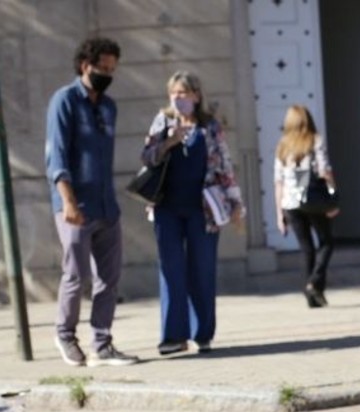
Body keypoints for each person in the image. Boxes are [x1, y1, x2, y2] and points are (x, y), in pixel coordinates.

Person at [45, 37, 137, 367]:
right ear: (86, 66)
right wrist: (68, 202)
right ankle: (65, 336)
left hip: (106, 207)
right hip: (75, 207)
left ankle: (103, 343)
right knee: (75, 274)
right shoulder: (65, 101)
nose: (108, 74)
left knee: (108, 279)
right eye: (103, 68)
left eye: (113, 69)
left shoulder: (109, 107)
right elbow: (56, 156)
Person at [140, 71, 245, 355]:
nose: (178, 98)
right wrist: (168, 142)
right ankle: (173, 336)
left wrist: (236, 204)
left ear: (196, 96)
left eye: (183, 93)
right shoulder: (162, 122)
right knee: (171, 270)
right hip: (166, 208)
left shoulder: (209, 126)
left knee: (201, 270)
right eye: (174, 93)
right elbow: (147, 157)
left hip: (204, 209)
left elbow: (224, 165)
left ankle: (203, 334)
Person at [274, 105, 338, 308]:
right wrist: (333, 195)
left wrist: (279, 213)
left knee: (306, 248)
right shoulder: (314, 140)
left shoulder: (282, 146)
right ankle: (314, 283)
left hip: (291, 202)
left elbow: (279, 182)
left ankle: (312, 292)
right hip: (312, 198)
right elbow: (324, 170)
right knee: (326, 242)